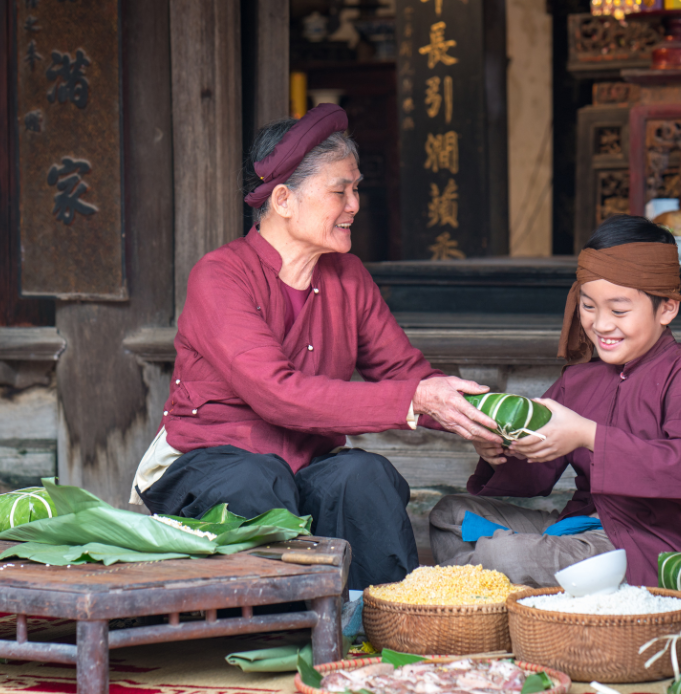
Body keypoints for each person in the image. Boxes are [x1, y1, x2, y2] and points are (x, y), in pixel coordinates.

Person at [130, 104, 502, 590]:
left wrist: (479, 417)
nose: (354, 205)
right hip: (209, 465)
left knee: (364, 475)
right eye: (339, 191)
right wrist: (414, 400)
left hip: (303, 466)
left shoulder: (348, 276)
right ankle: (276, 625)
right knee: (257, 481)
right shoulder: (220, 275)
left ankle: (382, 618)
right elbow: (276, 394)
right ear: (284, 200)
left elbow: (403, 374)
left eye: (356, 189)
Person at [429, 215, 681, 587]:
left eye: (619, 310)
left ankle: (510, 582)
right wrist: (498, 448)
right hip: (584, 527)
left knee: (501, 554)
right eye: (589, 307)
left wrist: (589, 435)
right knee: (449, 514)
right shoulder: (580, 378)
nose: (601, 325)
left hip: (651, 543)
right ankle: (528, 585)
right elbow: (535, 476)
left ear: (667, 308)